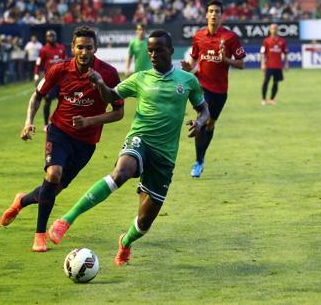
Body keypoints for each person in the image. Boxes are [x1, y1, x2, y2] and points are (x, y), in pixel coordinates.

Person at [46, 30, 209, 266]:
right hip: (140, 140)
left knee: (144, 223)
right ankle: (66, 219)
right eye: (150, 50)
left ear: (171, 52)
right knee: (120, 173)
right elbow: (112, 95)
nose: (152, 55)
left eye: (158, 50)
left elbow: (203, 109)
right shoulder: (140, 78)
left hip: (165, 155)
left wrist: (201, 122)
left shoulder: (187, 81)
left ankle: (125, 242)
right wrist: (100, 83)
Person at [0, 26, 124, 252]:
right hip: (59, 131)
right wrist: (28, 121)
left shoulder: (108, 73)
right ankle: (39, 235)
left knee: (51, 189)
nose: (84, 52)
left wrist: (90, 118)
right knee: (53, 174)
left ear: (96, 48)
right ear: (72, 48)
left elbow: (118, 112)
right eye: (80, 47)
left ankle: (21, 201)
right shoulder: (60, 70)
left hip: (86, 143)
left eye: (88, 47)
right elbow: (37, 96)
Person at [181, 0, 246, 178]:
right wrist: (189, 68)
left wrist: (226, 61)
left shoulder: (230, 38)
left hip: (221, 90)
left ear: (221, 15)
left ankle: (201, 159)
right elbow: (194, 59)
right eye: (211, 11)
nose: (214, 14)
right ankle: (198, 161)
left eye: (217, 11)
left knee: (210, 124)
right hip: (201, 86)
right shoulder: (199, 36)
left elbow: (241, 64)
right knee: (203, 119)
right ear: (206, 14)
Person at [34, 30, 67, 131]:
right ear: (46, 37)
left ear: (56, 36)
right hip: (50, 81)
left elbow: (66, 62)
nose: (51, 38)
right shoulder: (43, 50)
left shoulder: (62, 48)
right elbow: (38, 63)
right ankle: (45, 124)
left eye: (53, 36)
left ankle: (64, 122)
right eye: (49, 36)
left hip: (62, 80)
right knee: (47, 101)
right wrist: (36, 74)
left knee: (65, 101)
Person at [260, 23, 288, 106]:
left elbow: (285, 53)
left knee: (276, 83)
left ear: (277, 30)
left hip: (278, 66)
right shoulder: (266, 41)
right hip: (268, 65)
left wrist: (286, 63)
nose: (274, 30)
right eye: (272, 28)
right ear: (270, 30)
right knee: (266, 82)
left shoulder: (282, 41)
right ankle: (263, 99)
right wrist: (262, 64)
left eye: (275, 28)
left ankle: (272, 99)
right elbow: (262, 53)